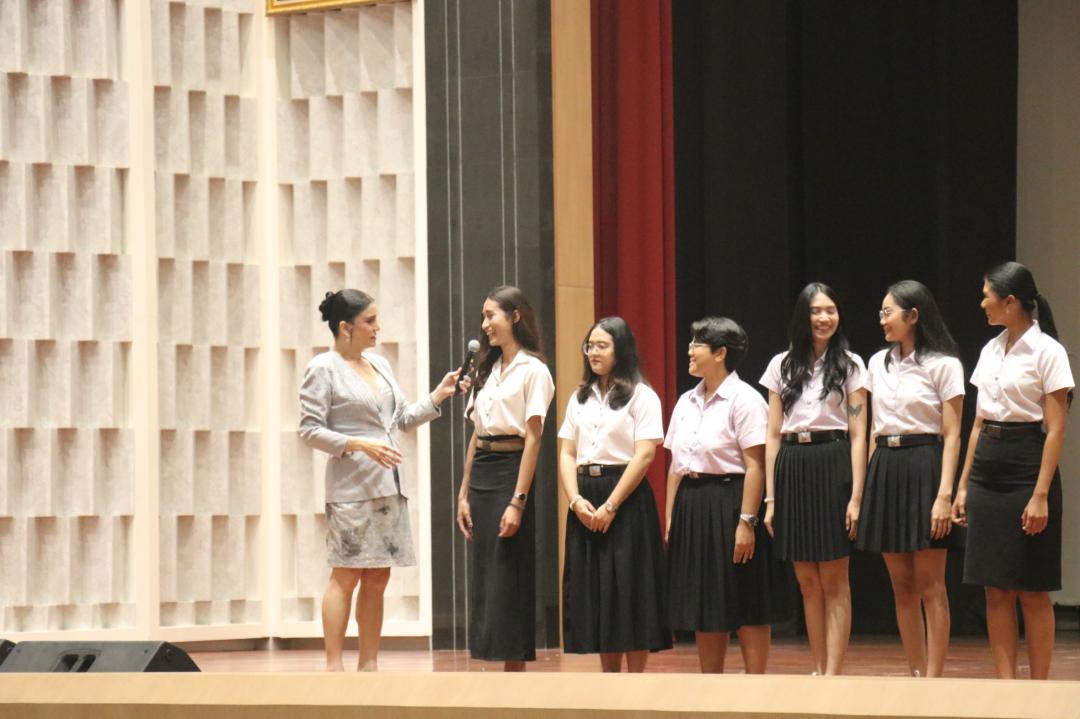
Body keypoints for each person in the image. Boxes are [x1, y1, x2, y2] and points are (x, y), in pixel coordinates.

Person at [299, 289, 466, 671]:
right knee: (346, 575)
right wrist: (358, 444)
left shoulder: (380, 365)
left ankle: (369, 665)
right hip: (351, 490)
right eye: (370, 321)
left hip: (390, 486)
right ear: (346, 327)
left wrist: (438, 395)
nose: (377, 327)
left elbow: (402, 419)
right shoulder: (323, 367)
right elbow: (309, 430)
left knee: (377, 578)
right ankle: (333, 666)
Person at [952, 262, 1073, 680]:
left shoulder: (1048, 352)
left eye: (987, 295)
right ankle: (1007, 690)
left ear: (1010, 301)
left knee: (1032, 588)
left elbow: (1056, 429)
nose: (981, 303)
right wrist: (963, 486)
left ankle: (1038, 690)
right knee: (995, 587)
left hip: (1027, 464)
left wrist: (1040, 495)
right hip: (987, 466)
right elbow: (978, 423)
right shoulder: (991, 349)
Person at [856, 280, 964, 677]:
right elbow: (872, 428)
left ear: (913, 315)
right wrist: (865, 488)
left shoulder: (944, 364)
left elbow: (952, 433)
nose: (882, 320)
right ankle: (915, 674)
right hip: (886, 465)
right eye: (881, 313)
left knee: (931, 585)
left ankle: (934, 679)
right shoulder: (876, 363)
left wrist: (944, 495)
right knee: (901, 585)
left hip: (925, 465)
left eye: (888, 312)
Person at [666, 316, 783, 673]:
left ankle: (755, 685)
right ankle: (711, 688)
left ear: (720, 353)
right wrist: (671, 517)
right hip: (692, 501)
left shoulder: (745, 400)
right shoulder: (686, 401)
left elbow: (755, 465)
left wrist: (747, 521)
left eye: (697, 344)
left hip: (731, 500)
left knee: (745, 597)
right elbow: (675, 465)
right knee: (704, 601)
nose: (689, 350)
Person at [761, 282, 867, 676]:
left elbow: (859, 433)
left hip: (832, 460)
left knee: (835, 578)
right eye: (816, 311)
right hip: (792, 464)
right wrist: (771, 499)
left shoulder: (851, 365)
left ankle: (834, 674)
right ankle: (818, 668)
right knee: (807, 579)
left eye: (830, 310)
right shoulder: (780, 365)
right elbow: (773, 434)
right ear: (802, 316)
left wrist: (856, 496)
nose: (824, 318)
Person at [558, 316, 670, 672]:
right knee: (597, 591)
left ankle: (634, 682)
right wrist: (575, 501)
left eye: (602, 346)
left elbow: (645, 454)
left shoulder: (642, 395)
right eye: (590, 345)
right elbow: (566, 453)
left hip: (625, 496)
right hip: (585, 496)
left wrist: (611, 504)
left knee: (629, 589)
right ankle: (609, 680)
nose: (593, 352)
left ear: (620, 349)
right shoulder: (579, 397)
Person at [456, 285, 554, 671]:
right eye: (483, 317)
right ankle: (490, 665)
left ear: (515, 317)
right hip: (482, 469)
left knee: (508, 571)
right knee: (485, 572)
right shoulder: (486, 369)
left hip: (512, 469)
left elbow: (534, 438)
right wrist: (463, 493)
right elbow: (476, 435)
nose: (484, 324)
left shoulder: (535, 370)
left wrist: (518, 500)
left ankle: (514, 670)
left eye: (490, 315)